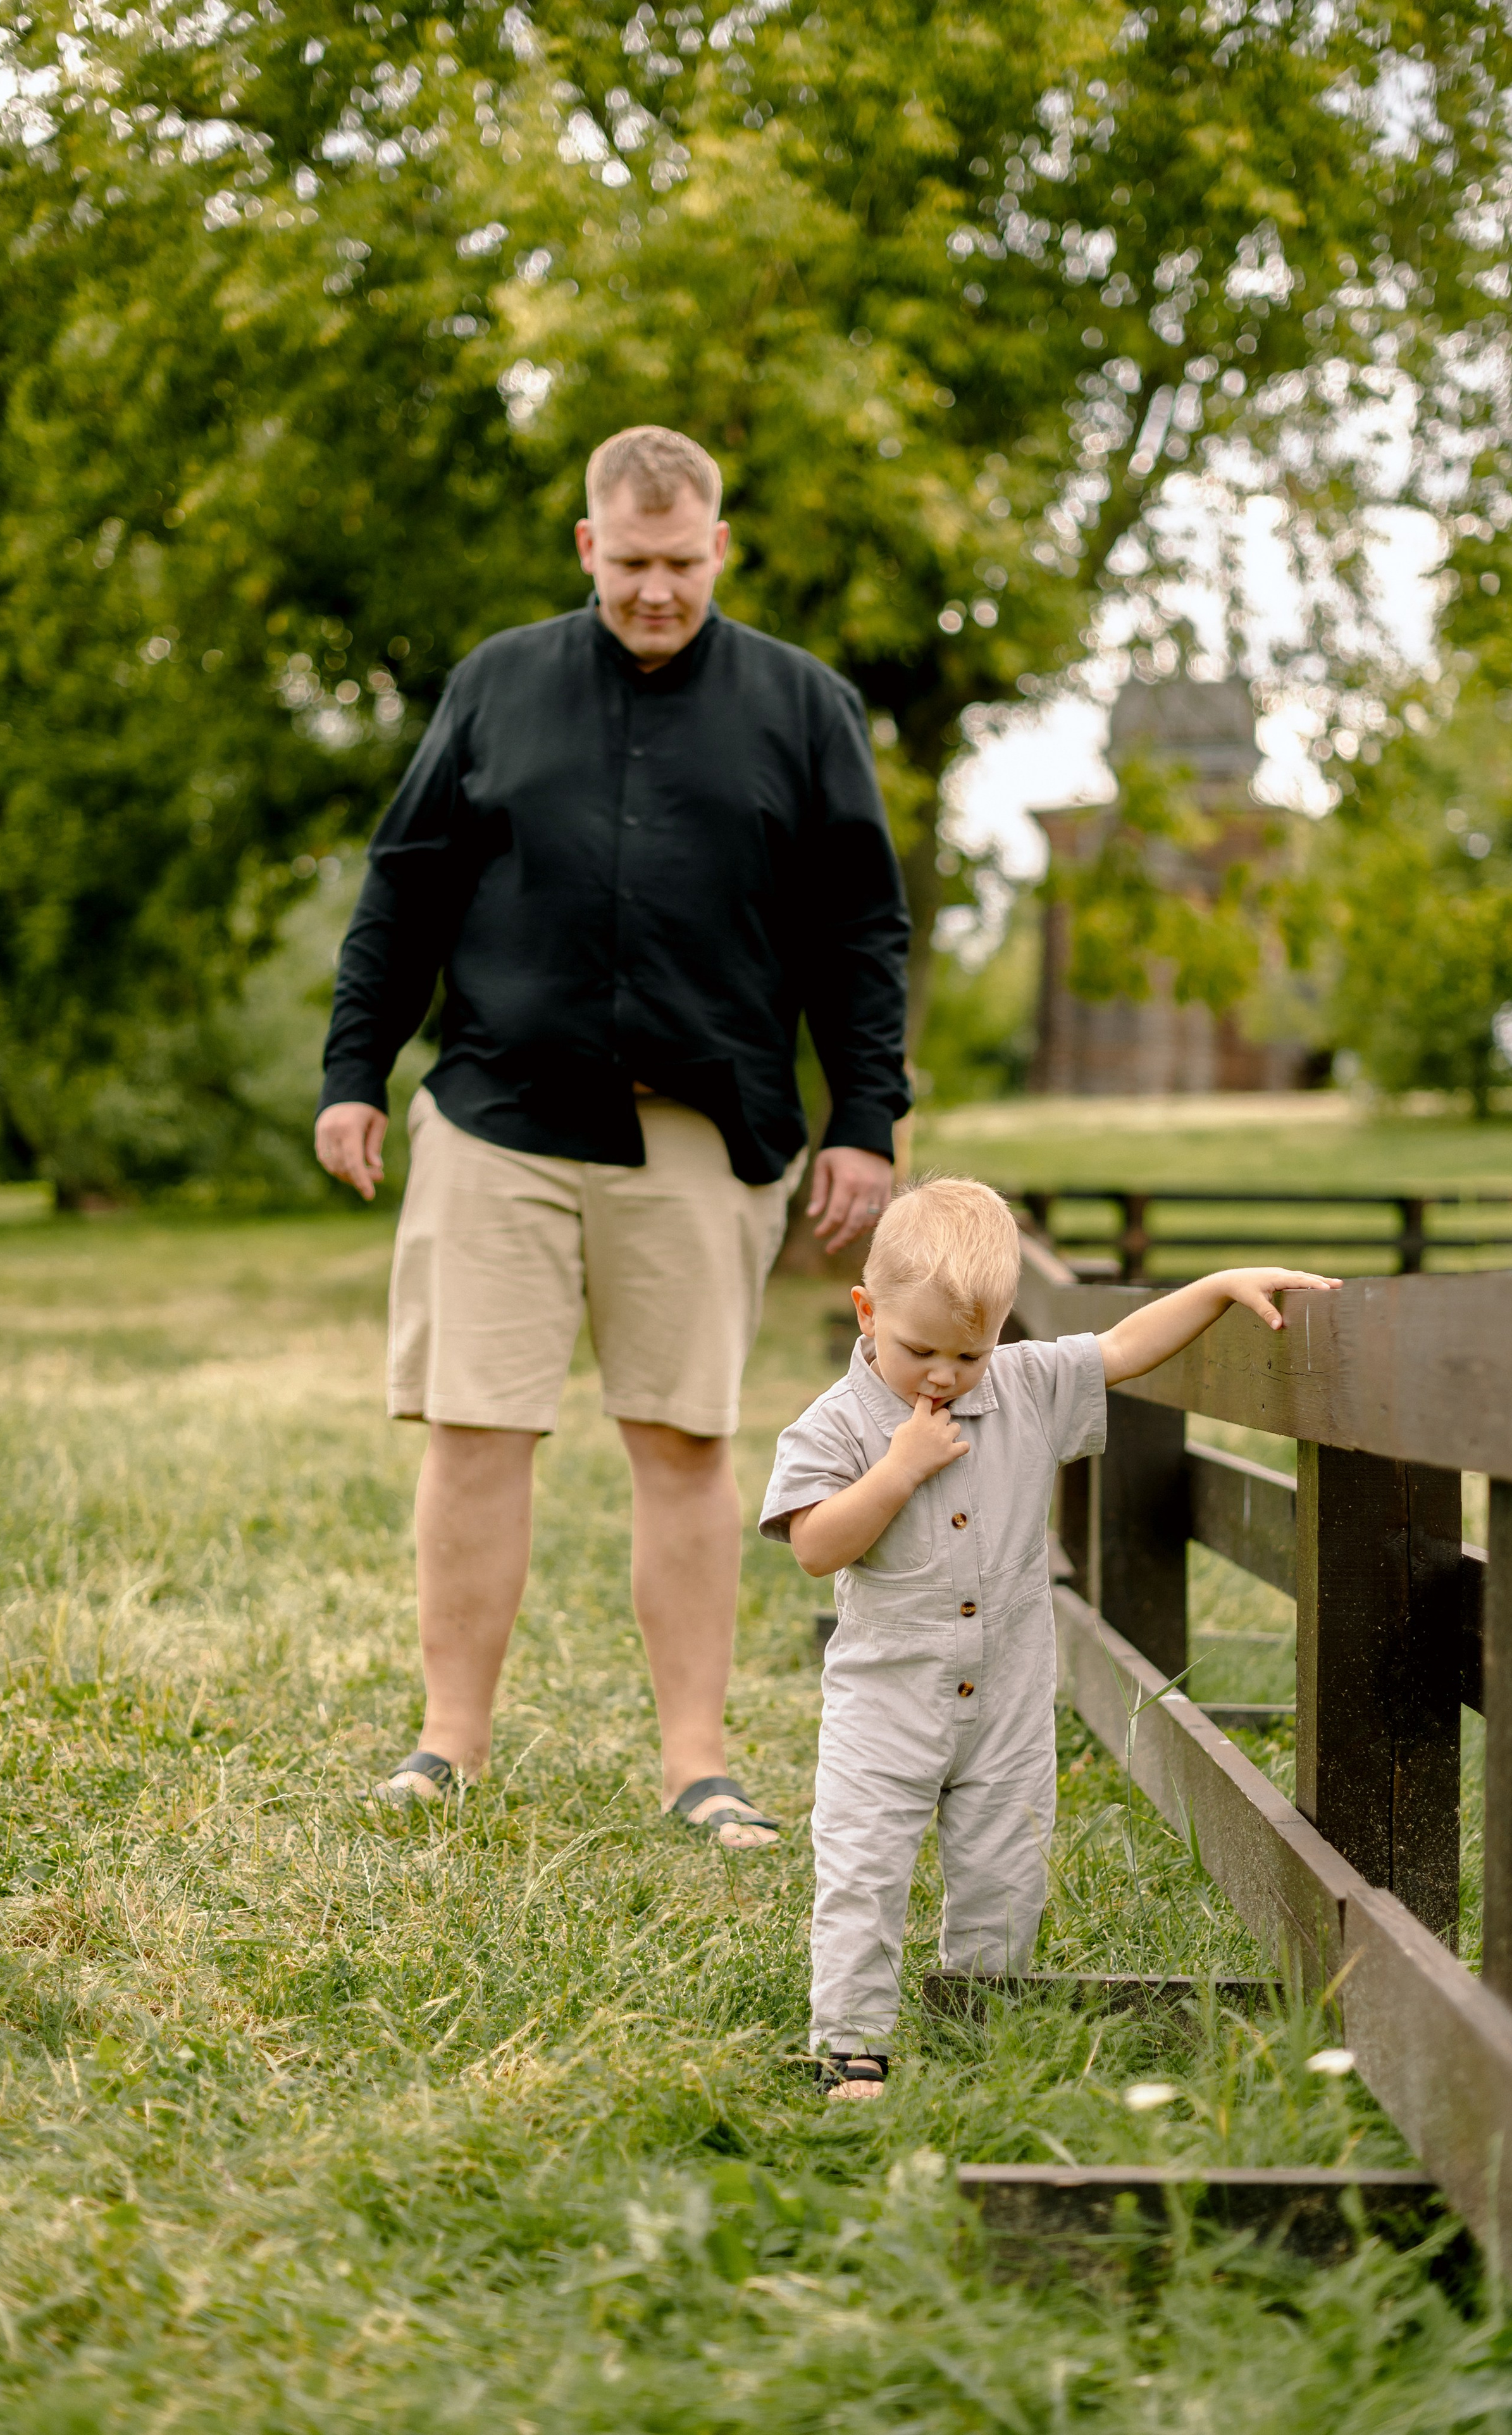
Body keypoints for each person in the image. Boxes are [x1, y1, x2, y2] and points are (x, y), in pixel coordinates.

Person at [315, 425, 910, 1847]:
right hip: (498, 1120)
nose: (656, 589)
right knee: (473, 1435)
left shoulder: (801, 704)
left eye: (682, 563)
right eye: (631, 563)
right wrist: (352, 1070)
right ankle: (447, 1742)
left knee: (686, 1442)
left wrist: (866, 1115)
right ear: (588, 547)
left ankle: (695, 1763)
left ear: (721, 547)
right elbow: (403, 892)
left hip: (706, 1133)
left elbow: (859, 931)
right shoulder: (497, 684)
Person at [759, 1176, 1339, 2096]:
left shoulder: (1025, 1386)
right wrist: (898, 1472)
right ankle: (853, 2039)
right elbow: (817, 1548)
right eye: (919, 1350)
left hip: (1008, 1701)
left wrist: (1220, 1283)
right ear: (867, 1312)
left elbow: (1120, 1347)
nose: (944, 1374)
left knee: (1004, 1866)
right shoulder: (833, 1426)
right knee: (865, 1870)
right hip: (886, 1706)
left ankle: (979, 2013)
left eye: (969, 1352)